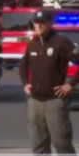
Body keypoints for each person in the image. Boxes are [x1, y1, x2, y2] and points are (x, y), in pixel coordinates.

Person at [19, 9, 79, 155]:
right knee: (38, 145)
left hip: (55, 101)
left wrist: (70, 85)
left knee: (61, 144)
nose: (38, 27)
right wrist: (25, 82)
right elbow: (23, 65)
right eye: (35, 23)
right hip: (35, 102)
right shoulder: (32, 44)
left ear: (50, 24)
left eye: (41, 24)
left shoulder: (61, 42)